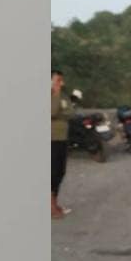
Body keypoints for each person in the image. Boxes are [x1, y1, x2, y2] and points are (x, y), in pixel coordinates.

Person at [51, 69, 73, 219]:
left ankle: (55, 202)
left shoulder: (64, 96)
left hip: (62, 137)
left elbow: (70, 113)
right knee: (52, 172)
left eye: (61, 80)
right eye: (58, 80)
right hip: (51, 138)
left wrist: (61, 113)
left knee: (60, 171)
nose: (62, 83)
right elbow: (52, 112)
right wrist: (56, 93)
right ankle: (51, 206)